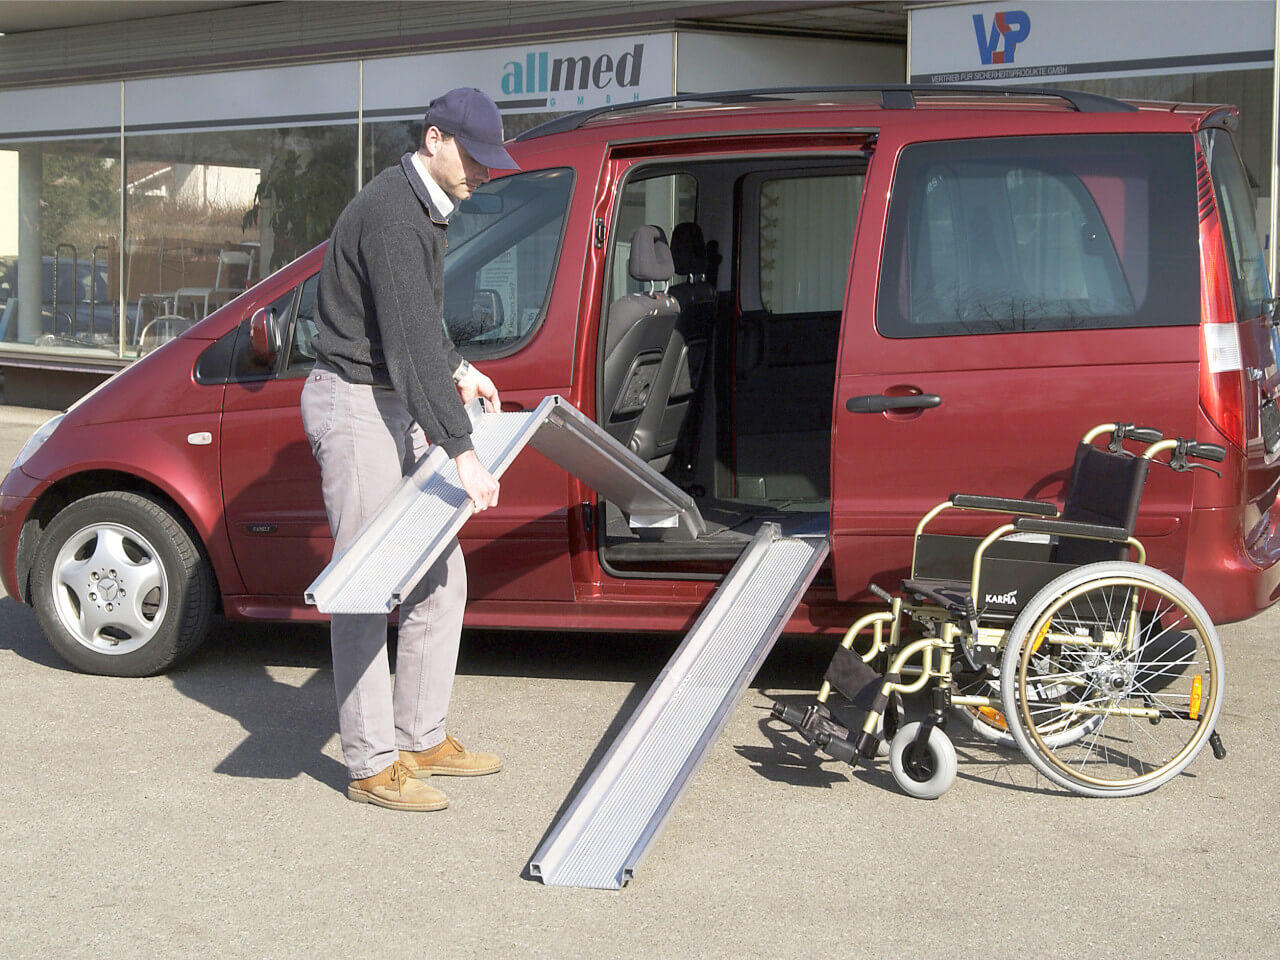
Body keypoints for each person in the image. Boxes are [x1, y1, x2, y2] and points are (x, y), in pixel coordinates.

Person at [300, 87, 518, 811]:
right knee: (368, 584)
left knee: (437, 574)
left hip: (393, 398)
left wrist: (459, 367)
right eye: (475, 158)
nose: (484, 173)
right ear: (434, 139)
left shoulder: (424, 207)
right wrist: (462, 450)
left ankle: (420, 736)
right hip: (357, 403)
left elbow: (420, 324)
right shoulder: (396, 214)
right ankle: (370, 764)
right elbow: (404, 342)